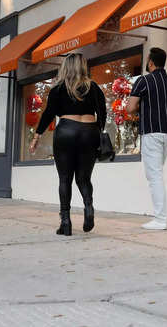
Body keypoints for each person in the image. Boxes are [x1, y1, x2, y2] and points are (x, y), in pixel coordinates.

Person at [29, 53, 106, 236]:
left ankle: (66, 222)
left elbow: (48, 114)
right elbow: (102, 112)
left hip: (66, 131)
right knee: (84, 178)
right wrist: (97, 131)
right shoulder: (94, 87)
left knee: (65, 179)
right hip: (89, 131)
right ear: (82, 66)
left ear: (66, 67)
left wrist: (36, 136)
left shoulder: (58, 89)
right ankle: (88, 207)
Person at [126, 47, 167, 230]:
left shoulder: (143, 80)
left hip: (152, 132)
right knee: (157, 173)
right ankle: (160, 217)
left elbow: (129, 107)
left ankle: (160, 219)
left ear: (150, 62)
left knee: (154, 176)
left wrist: (140, 107)